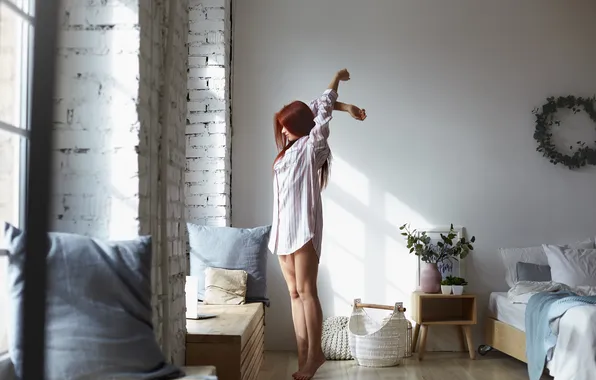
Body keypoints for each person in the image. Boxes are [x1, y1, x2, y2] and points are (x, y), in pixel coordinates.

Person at [268, 69, 367, 380]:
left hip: (304, 229)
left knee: (308, 292)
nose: (282, 133)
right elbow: (313, 107)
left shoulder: (312, 146)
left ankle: (315, 355)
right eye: (281, 128)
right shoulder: (284, 154)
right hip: (282, 232)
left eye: (286, 127)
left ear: (298, 127)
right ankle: (302, 358)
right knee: (294, 295)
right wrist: (347, 106)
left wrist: (336, 80)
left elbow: (319, 109)